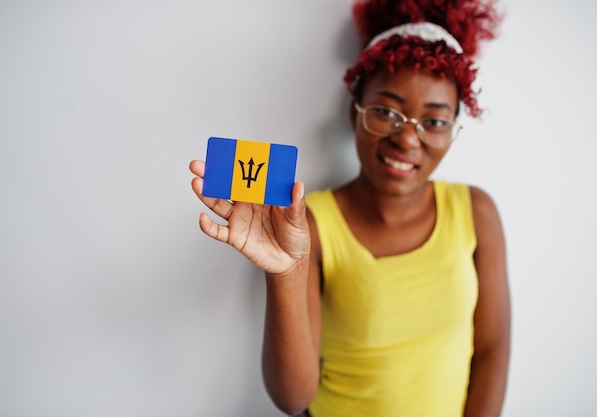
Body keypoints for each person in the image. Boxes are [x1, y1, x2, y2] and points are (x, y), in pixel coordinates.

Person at [189, 0, 510, 415]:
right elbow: (294, 398)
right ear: (353, 112)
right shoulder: (310, 224)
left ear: (453, 130)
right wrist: (285, 270)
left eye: (433, 121)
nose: (407, 140)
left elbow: (492, 352)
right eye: (385, 111)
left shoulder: (476, 212)